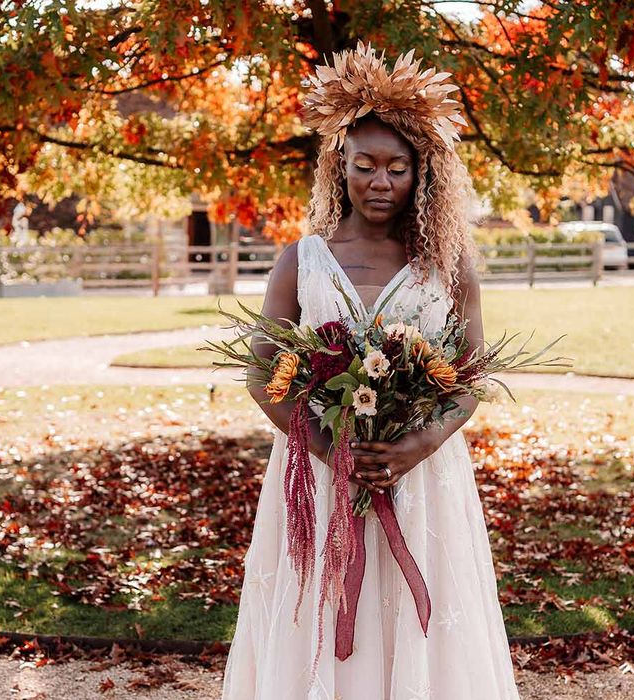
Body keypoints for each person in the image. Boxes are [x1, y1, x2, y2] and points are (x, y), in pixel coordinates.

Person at [221, 41, 522, 700]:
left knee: (423, 623)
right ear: (340, 167)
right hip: (323, 471)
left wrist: (415, 445)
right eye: (365, 166)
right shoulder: (299, 260)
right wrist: (331, 451)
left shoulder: (448, 266)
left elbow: (468, 377)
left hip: (422, 477)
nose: (380, 183)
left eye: (397, 168)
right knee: (318, 610)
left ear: (422, 175)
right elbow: (259, 372)